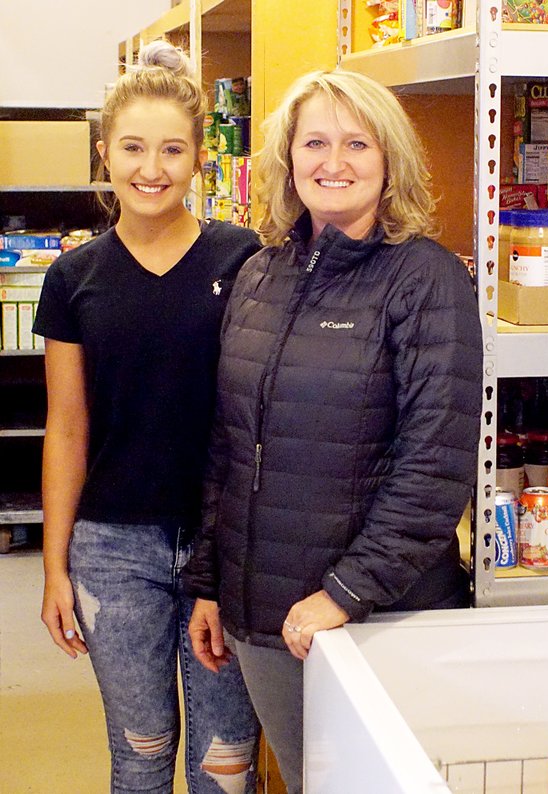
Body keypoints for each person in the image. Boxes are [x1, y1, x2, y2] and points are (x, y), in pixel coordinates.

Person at [183, 69, 483, 793]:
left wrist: (345, 593)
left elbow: (436, 466)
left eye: (357, 143)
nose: (334, 162)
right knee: (307, 777)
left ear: (390, 162)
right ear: (288, 159)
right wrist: (211, 583)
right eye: (314, 142)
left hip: (374, 617)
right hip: (266, 618)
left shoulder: (425, 280)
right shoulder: (259, 275)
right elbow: (228, 448)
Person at [33, 40, 262, 794]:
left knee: (225, 760)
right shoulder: (74, 276)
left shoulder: (245, 259)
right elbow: (67, 429)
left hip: (225, 545)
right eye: (132, 147)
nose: (151, 168)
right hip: (112, 549)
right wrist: (55, 565)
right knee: (141, 751)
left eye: (171, 149)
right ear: (105, 153)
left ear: (201, 157)